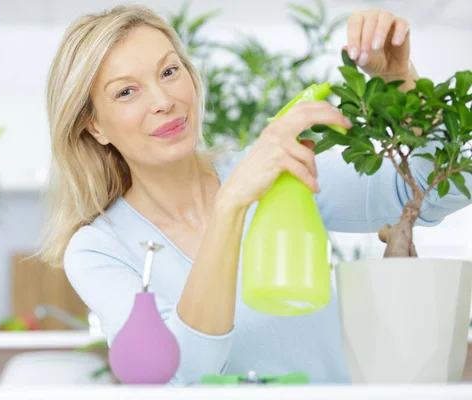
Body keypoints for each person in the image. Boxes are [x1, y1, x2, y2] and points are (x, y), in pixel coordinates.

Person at [38, 5, 472, 384]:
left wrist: (400, 82)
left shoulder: (278, 167)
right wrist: (231, 205)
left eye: (169, 71)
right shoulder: (98, 249)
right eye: (127, 91)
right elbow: (184, 369)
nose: (164, 100)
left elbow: (435, 191)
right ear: (93, 125)